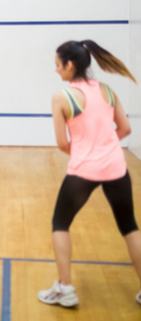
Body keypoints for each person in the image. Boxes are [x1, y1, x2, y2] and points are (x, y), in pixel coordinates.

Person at [37, 40, 141, 307]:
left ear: (69, 65)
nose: (57, 71)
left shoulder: (62, 97)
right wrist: (104, 148)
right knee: (130, 226)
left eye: (58, 65)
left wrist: (88, 153)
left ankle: (65, 289)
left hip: (84, 170)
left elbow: (62, 143)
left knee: (60, 224)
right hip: (117, 168)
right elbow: (125, 129)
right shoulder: (107, 91)